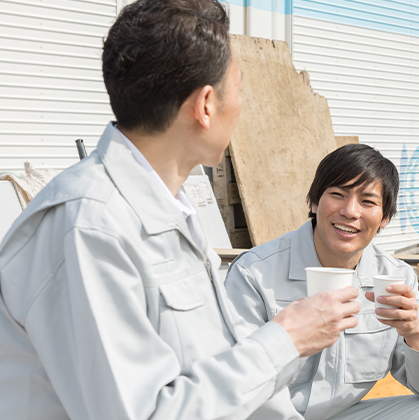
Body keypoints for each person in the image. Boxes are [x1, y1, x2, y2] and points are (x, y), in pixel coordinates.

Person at [0, 1, 361, 419]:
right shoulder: (88, 227)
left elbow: (214, 371)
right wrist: (286, 339)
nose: (242, 105)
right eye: (240, 87)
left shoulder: (172, 211)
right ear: (206, 105)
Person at [225, 144, 419, 419]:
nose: (350, 212)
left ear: (385, 217)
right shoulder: (254, 273)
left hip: (345, 413)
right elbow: (237, 382)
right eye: (338, 195)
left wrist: (414, 333)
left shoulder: (395, 278)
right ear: (315, 203)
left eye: (368, 201)